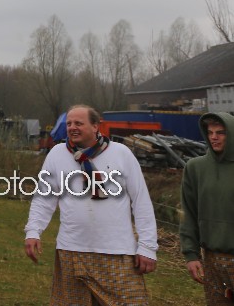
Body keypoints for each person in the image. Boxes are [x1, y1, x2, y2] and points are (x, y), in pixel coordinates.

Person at [24, 104, 157, 306]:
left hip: (117, 252)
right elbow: (43, 199)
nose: (72, 127)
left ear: (95, 126)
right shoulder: (57, 154)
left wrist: (147, 247)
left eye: (78, 123)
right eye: (69, 124)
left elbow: (141, 201)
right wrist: (33, 231)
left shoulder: (121, 153)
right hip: (71, 251)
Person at [180, 111, 234, 305]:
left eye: (220, 132)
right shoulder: (195, 168)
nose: (214, 137)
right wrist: (191, 254)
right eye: (210, 132)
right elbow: (188, 213)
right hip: (212, 260)